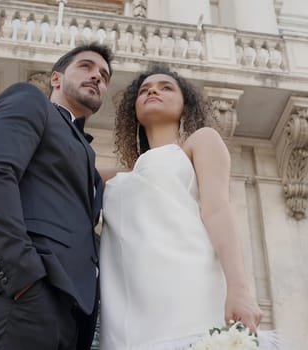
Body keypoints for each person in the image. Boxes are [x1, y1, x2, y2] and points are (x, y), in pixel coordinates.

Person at [0, 43, 113, 350]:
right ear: (55, 78)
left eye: (104, 76)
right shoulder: (30, 101)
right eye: (86, 67)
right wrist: (23, 278)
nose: (97, 78)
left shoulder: (84, 152)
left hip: (71, 319)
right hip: (22, 301)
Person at [99, 65, 263, 349]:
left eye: (166, 87)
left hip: (190, 290)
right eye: (144, 90)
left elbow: (218, 210)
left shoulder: (201, 141)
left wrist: (239, 289)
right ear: (133, 112)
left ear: (185, 105)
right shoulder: (121, 178)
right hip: (130, 308)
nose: (153, 90)